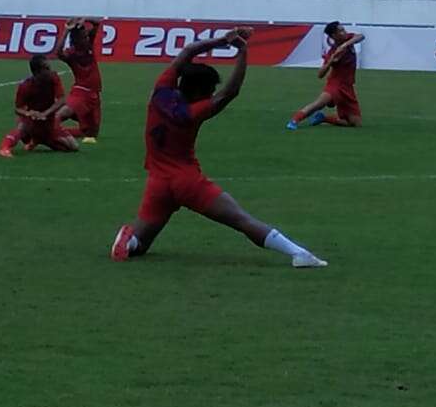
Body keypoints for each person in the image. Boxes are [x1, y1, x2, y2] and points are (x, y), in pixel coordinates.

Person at [110, 28, 327, 269]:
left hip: (158, 182)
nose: (211, 95)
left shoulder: (160, 91)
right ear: (197, 91)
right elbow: (230, 92)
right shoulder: (192, 113)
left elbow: (189, 51)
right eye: (208, 91)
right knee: (241, 219)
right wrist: (242, 52)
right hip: (186, 181)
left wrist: (223, 40)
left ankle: (128, 241)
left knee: (141, 245)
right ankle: (299, 254)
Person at [286, 21, 365, 130]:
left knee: (356, 123)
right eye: (341, 31)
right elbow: (320, 74)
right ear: (334, 35)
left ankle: (323, 118)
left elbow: (361, 36)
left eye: (343, 29)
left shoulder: (348, 39)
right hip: (336, 85)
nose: (344, 32)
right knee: (319, 104)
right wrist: (330, 62)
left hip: (348, 87)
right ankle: (295, 120)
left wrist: (345, 45)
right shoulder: (333, 52)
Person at [0, 55, 78, 158]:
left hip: (49, 121)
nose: (50, 70)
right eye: (46, 68)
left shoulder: (54, 78)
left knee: (73, 147)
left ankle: (38, 140)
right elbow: (17, 108)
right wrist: (28, 113)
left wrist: (45, 113)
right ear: (37, 72)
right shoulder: (25, 86)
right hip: (32, 120)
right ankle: (4, 148)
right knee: (23, 127)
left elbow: (61, 100)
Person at [53, 17, 103, 143]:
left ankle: (55, 132)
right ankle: (45, 132)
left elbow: (98, 22)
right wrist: (66, 30)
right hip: (81, 93)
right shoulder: (71, 54)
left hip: (94, 95)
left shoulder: (89, 46)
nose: (86, 37)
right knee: (59, 116)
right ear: (75, 40)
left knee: (91, 133)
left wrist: (84, 18)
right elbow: (58, 52)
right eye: (83, 36)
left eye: (86, 35)